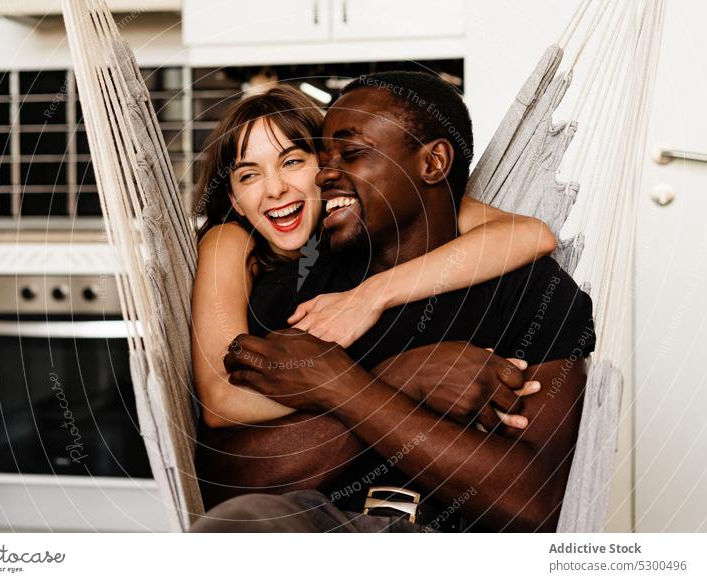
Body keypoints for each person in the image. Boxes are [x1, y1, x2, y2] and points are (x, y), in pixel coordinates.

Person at [191, 71, 596, 533]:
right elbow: (226, 490)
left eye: (350, 153)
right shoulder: (291, 283)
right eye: (323, 158)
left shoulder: (530, 291)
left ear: (432, 163)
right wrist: (401, 379)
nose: (323, 175)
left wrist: (339, 387)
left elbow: (535, 503)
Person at [192, 84, 556, 433]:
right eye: (250, 175)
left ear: (325, 167)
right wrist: (387, 382)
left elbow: (530, 235)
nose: (274, 188)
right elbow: (221, 397)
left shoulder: (362, 215)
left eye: (291, 162)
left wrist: (372, 295)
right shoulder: (231, 241)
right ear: (236, 199)